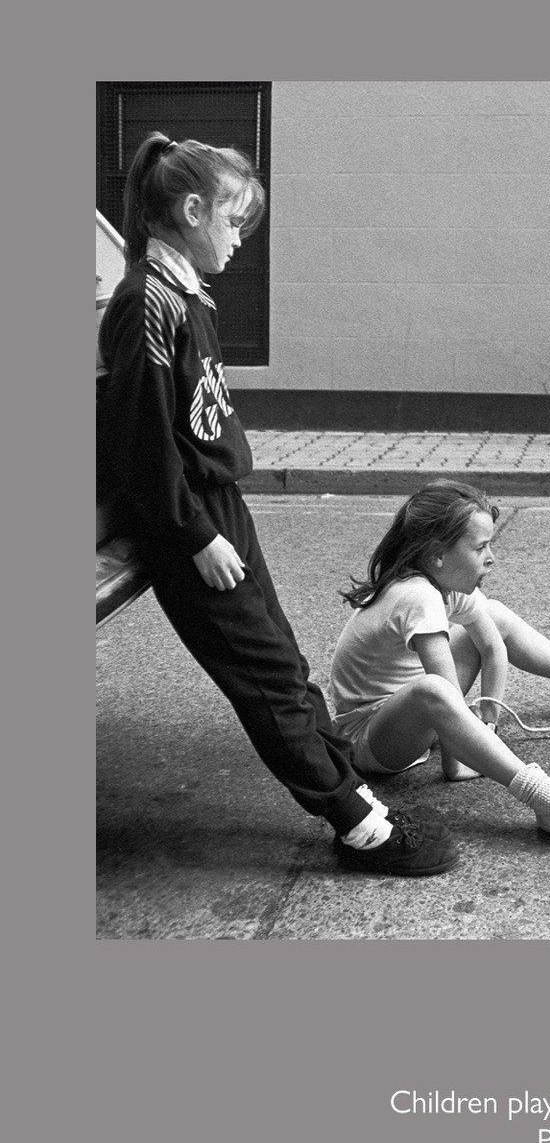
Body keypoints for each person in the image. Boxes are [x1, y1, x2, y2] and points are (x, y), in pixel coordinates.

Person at [96, 132, 457, 875]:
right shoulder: (145, 303)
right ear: (190, 210)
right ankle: (355, 824)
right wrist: (195, 533)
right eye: (232, 222)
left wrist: (212, 520)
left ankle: (353, 790)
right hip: (190, 521)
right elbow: (140, 445)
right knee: (262, 678)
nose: (238, 240)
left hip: (217, 509)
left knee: (283, 663)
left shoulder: (188, 297)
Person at [329, 480, 550, 853]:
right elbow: (443, 690)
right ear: (438, 556)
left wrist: (487, 722)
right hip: (371, 742)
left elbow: (492, 646)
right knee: (434, 691)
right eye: (481, 547)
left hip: (412, 715)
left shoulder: (443, 583)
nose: (492, 558)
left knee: (494, 614)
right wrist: (456, 763)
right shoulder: (417, 594)